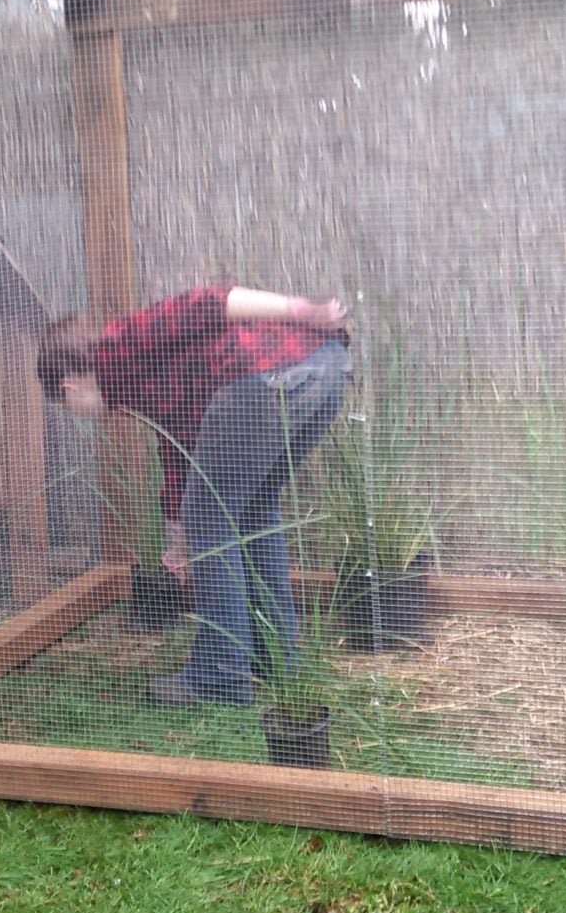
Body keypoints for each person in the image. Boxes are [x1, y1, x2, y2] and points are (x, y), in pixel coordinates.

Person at [37, 285, 353, 708]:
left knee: (212, 522)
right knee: (255, 510)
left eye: (66, 406)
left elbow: (209, 301)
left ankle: (220, 679)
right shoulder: (133, 384)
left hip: (273, 377)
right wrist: (178, 540)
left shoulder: (119, 344)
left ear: (69, 387)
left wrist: (301, 310)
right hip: (324, 372)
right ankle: (275, 660)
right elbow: (181, 449)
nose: (77, 415)